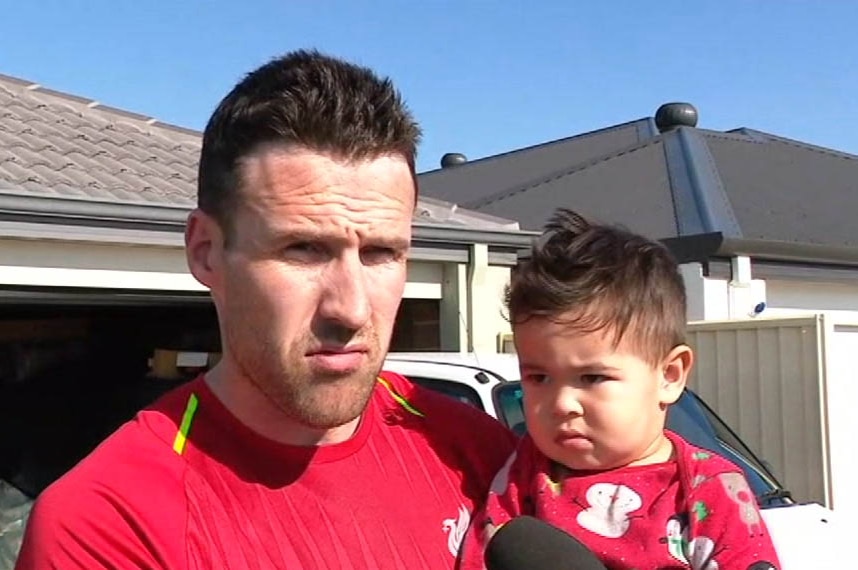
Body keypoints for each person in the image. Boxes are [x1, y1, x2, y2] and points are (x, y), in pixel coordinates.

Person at [16, 50, 517, 569]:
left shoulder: (480, 455)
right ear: (206, 251)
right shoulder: (108, 525)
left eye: (381, 253)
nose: (351, 307)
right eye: (303, 249)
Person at [458, 209, 781, 570]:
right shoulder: (524, 474)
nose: (563, 404)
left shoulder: (711, 488)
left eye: (592, 378)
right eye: (538, 378)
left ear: (669, 376)